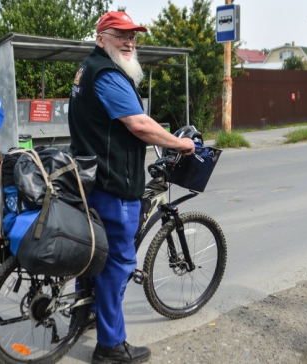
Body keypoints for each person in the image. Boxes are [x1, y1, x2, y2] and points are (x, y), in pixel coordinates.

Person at [68, 11, 195, 364]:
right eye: (120, 35)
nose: (128, 42)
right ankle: (110, 345)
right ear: (101, 38)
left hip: (89, 177)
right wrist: (180, 144)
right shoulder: (107, 73)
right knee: (118, 264)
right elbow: (139, 124)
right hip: (112, 182)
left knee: (93, 253)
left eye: (132, 37)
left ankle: (86, 312)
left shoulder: (87, 69)